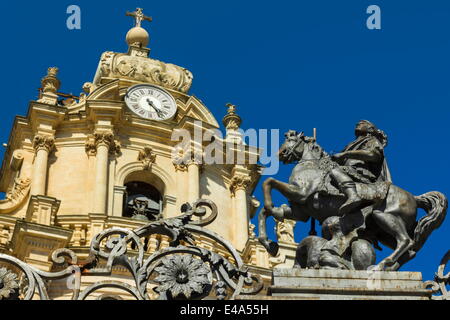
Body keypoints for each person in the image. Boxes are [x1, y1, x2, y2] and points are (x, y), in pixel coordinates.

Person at [331, 120, 391, 214]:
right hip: (347, 172)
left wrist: (345, 154)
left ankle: (353, 195)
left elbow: (373, 154)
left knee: (335, 171)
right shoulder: (351, 144)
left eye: (362, 123)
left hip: (361, 173)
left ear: (370, 129)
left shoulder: (372, 140)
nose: (358, 124)